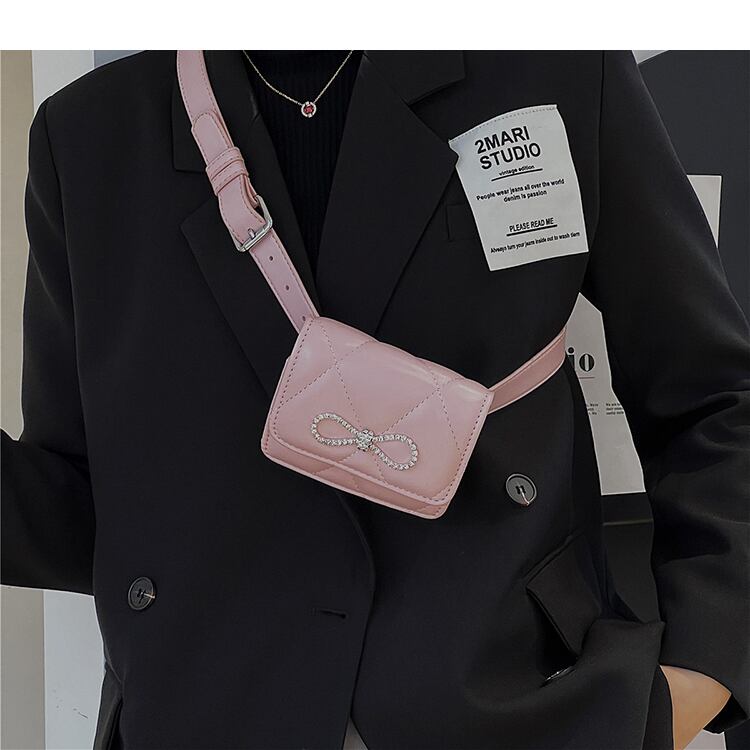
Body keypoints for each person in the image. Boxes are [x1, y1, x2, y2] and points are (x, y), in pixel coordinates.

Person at [2, 50, 748, 750]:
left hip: (514, 705)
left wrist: (708, 664)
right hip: (209, 711)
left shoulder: (554, 70)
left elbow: (713, 395)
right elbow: (86, 510)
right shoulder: (91, 138)